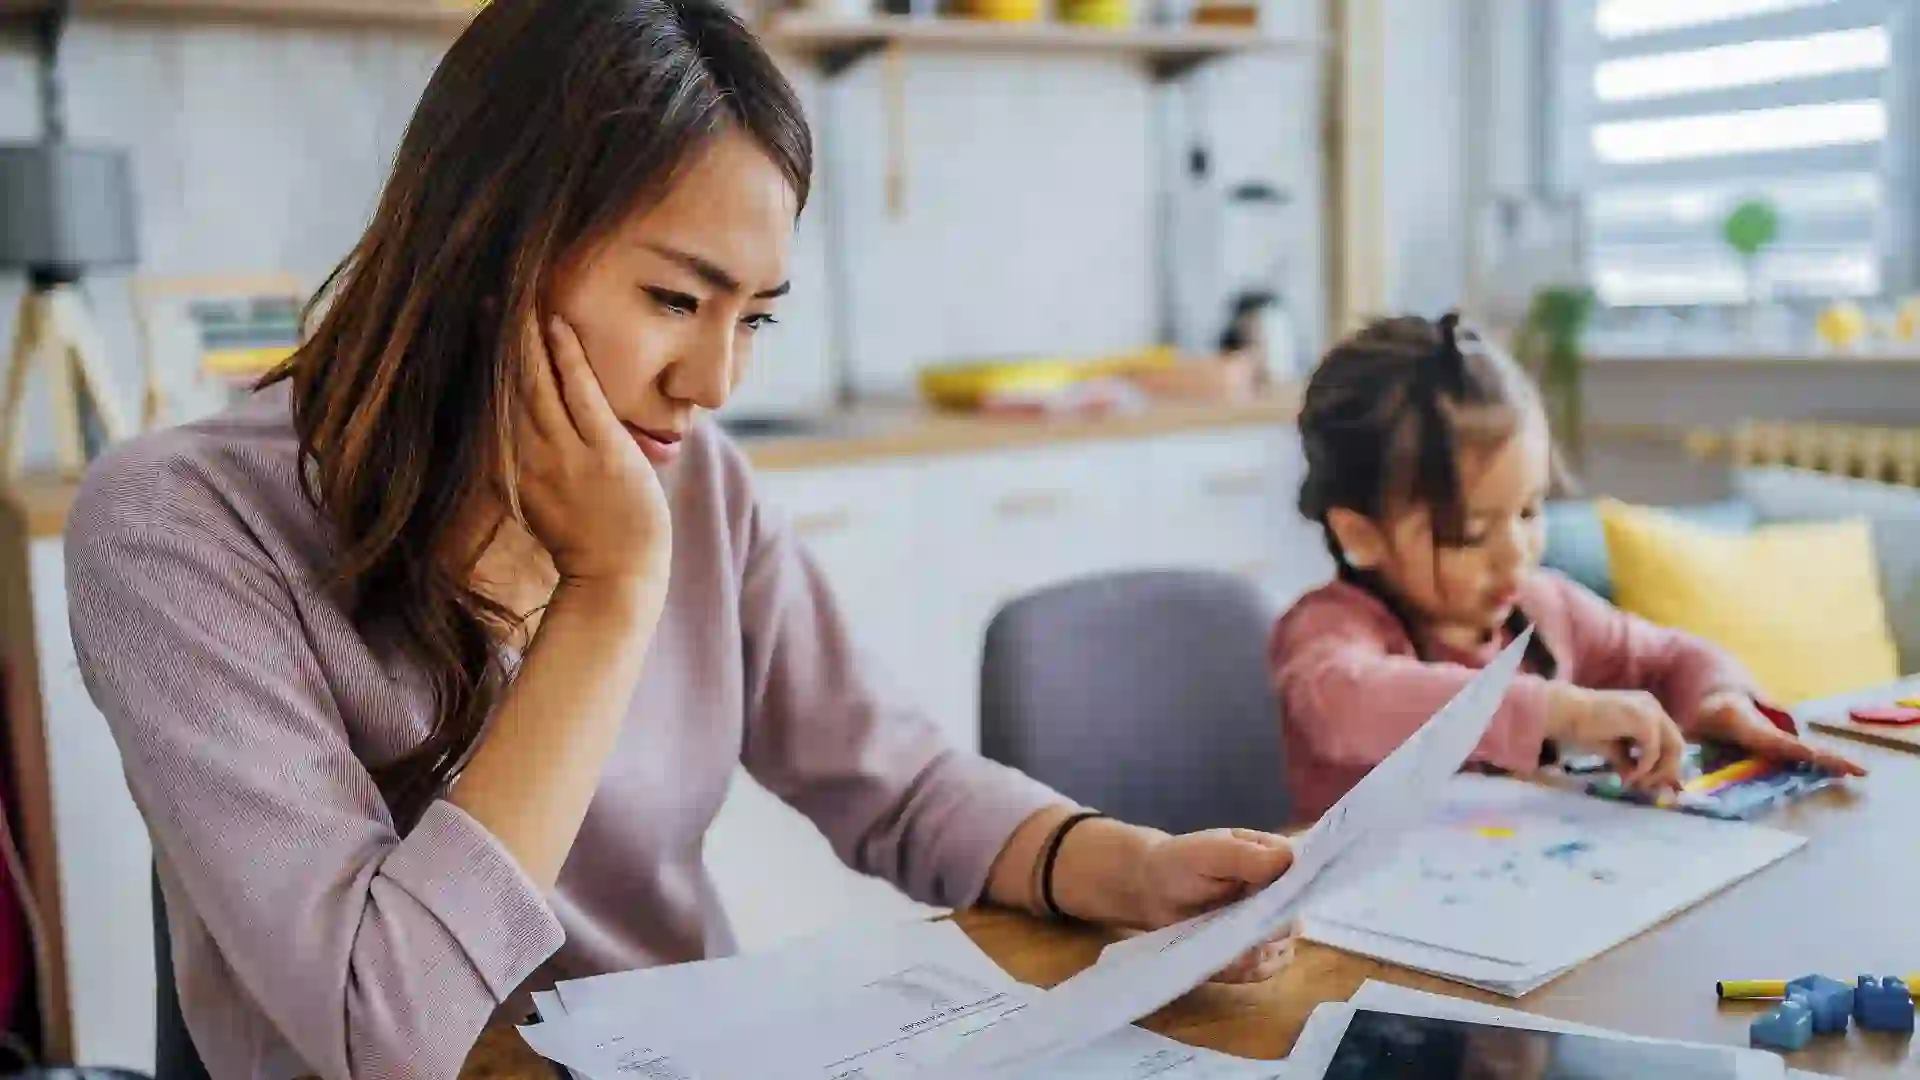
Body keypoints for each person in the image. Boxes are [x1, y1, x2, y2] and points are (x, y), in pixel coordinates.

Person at [62, 3, 1300, 1078]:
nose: (712, 382)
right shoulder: (178, 527)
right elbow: (383, 1035)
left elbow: (901, 783)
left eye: (753, 318)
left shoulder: (697, 480)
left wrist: (1132, 868)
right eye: (673, 299)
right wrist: (608, 594)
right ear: (489, 251)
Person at [1269, 313, 1864, 822]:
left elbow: (1670, 656)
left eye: (1529, 511)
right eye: (1469, 535)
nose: (1515, 553)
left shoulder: (1545, 608)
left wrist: (1718, 700)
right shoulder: (1327, 632)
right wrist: (1561, 711)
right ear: (1361, 534)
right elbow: (1346, 703)